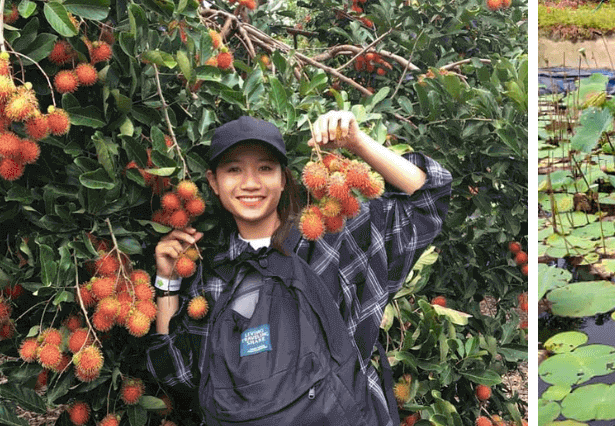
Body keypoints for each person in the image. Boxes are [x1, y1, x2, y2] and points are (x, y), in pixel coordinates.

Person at [146, 113, 452, 424]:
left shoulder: (334, 242)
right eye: (233, 170)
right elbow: (180, 376)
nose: (250, 183)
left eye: (265, 168)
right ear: (213, 182)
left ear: (283, 179)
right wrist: (167, 283)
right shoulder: (211, 275)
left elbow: (430, 197)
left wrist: (357, 143)